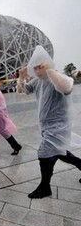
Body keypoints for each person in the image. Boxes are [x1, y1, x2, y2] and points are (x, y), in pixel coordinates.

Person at [17, 45, 81, 199]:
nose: (38, 70)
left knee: (44, 154)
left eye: (41, 67)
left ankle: (45, 187)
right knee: (61, 153)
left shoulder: (58, 77)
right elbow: (22, 90)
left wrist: (50, 71)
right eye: (36, 68)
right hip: (47, 127)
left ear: (48, 65)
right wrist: (21, 76)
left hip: (59, 126)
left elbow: (66, 88)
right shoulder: (38, 81)